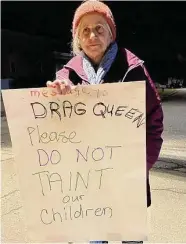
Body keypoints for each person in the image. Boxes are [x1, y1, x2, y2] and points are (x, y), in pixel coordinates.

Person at [47, 0, 164, 243]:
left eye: (99, 28)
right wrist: (57, 99)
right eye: (85, 30)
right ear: (77, 37)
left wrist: (140, 166)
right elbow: (53, 128)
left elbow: (154, 124)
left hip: (127, 182)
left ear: (111, 33)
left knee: (130, 239)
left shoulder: (134, 70)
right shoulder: (66, 76)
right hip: (88, 186)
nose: (92, 35)